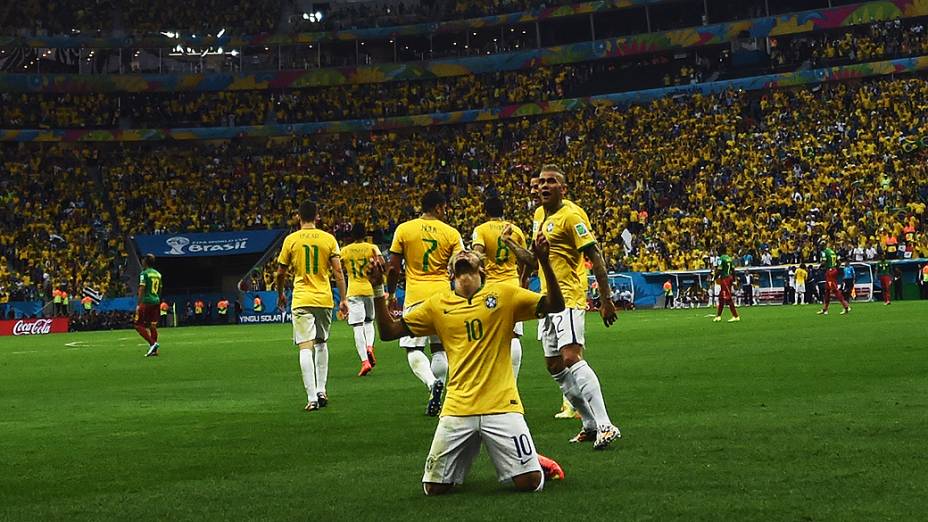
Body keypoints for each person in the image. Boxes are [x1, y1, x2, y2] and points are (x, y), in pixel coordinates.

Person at [367, 242, 566, 495]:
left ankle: (531, 459)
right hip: (458, 407)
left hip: (502, 404)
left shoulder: (505, 295)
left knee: (530, 484)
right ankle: (485, 449)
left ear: (482, 269)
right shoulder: (437, 305)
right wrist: (377, 288)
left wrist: (545, 263)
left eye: (468, 253)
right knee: (433, 489)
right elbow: (388, 332)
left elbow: (555, 305)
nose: (463, 253)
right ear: (450, 273)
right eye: (457, 256)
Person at [503, 165, 620, 449]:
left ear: (562, 188)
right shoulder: (539, 216)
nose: (544, 186)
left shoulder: (572, 215)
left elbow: (596, 256)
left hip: (569, 296)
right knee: (555, 366)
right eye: (541, 182)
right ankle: (589, 424)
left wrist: (605, 300)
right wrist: (510, 244)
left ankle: (606, 424)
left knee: (570, 357)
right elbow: (534, 260)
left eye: (551, 182)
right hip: (547, 298)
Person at [387, 190, 464, 416]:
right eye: (445, 207)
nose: (446, 211)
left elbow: (393, 268)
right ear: (438, 207)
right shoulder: (451, 233)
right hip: (443, 297)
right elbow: (461, 265)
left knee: (413, 348)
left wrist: (391, 295)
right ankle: (437, 397)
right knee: (440, 348)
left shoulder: (405, 229)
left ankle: (432, 385)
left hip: (416, 296)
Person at [276, 200, 348, 412]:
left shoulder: (291, 240)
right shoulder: (329, 239)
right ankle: (322, 389)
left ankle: (311, 398)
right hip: (324, 298)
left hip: (301, 299)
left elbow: (280, 273)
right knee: (321, 343)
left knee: (304, 346)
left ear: (298, 217)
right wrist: (343, 299)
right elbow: (337, 272)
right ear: (317, 216)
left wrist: (280, 294)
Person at [472, 196, 528, 380]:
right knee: (513, 335)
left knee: (490, 335)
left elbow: (477, 254)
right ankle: (513, 383)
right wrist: (522, 280)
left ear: (485, 212)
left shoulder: (481, 230)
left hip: (491, 288)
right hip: (513, 285)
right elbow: (525, 259)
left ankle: (493, 381)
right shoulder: (516, 230)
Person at [340, 222, 383, 376]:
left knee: (357, 326)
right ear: (365, 234)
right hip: (370, 289)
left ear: (351, 235)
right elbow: (381, 264)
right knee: (369, 322)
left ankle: (365, 361)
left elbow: (337, 268)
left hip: (354, 291)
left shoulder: (345, 250)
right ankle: (370, 346)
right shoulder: (372, 248)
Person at [135, 253, 163, 357]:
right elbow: (160, 288)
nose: (142, 262)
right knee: (153, 325)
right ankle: (154, 351)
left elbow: (142, 288)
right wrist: (157, 298)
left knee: (138, 325)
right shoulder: (158, 274)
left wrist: (138, 304)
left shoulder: (144, 273)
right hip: (156, 300)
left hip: (147, 301)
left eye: (143, 260)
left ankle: (152, 343)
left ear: (145, 262)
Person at [817, 244, 850, 315]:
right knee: (827, 291)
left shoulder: (824, 252)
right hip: (833, 270)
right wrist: (835, 268)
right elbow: (839, 262)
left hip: (830, 272)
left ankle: (846, 306)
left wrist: (820, 266)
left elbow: (824, 261)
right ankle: (825, 309)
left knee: (834, 290)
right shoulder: (832, 251)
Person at [712, 249, 739, 322]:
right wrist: (733, 280)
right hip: (729, 278)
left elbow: (719, 270)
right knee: (721, 298)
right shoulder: (729, 258)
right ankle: (718, 316)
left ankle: (736, 316)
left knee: (728, 298)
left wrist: (714, 278)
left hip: (725, 279)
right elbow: (733, 270)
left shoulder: (721, 259)